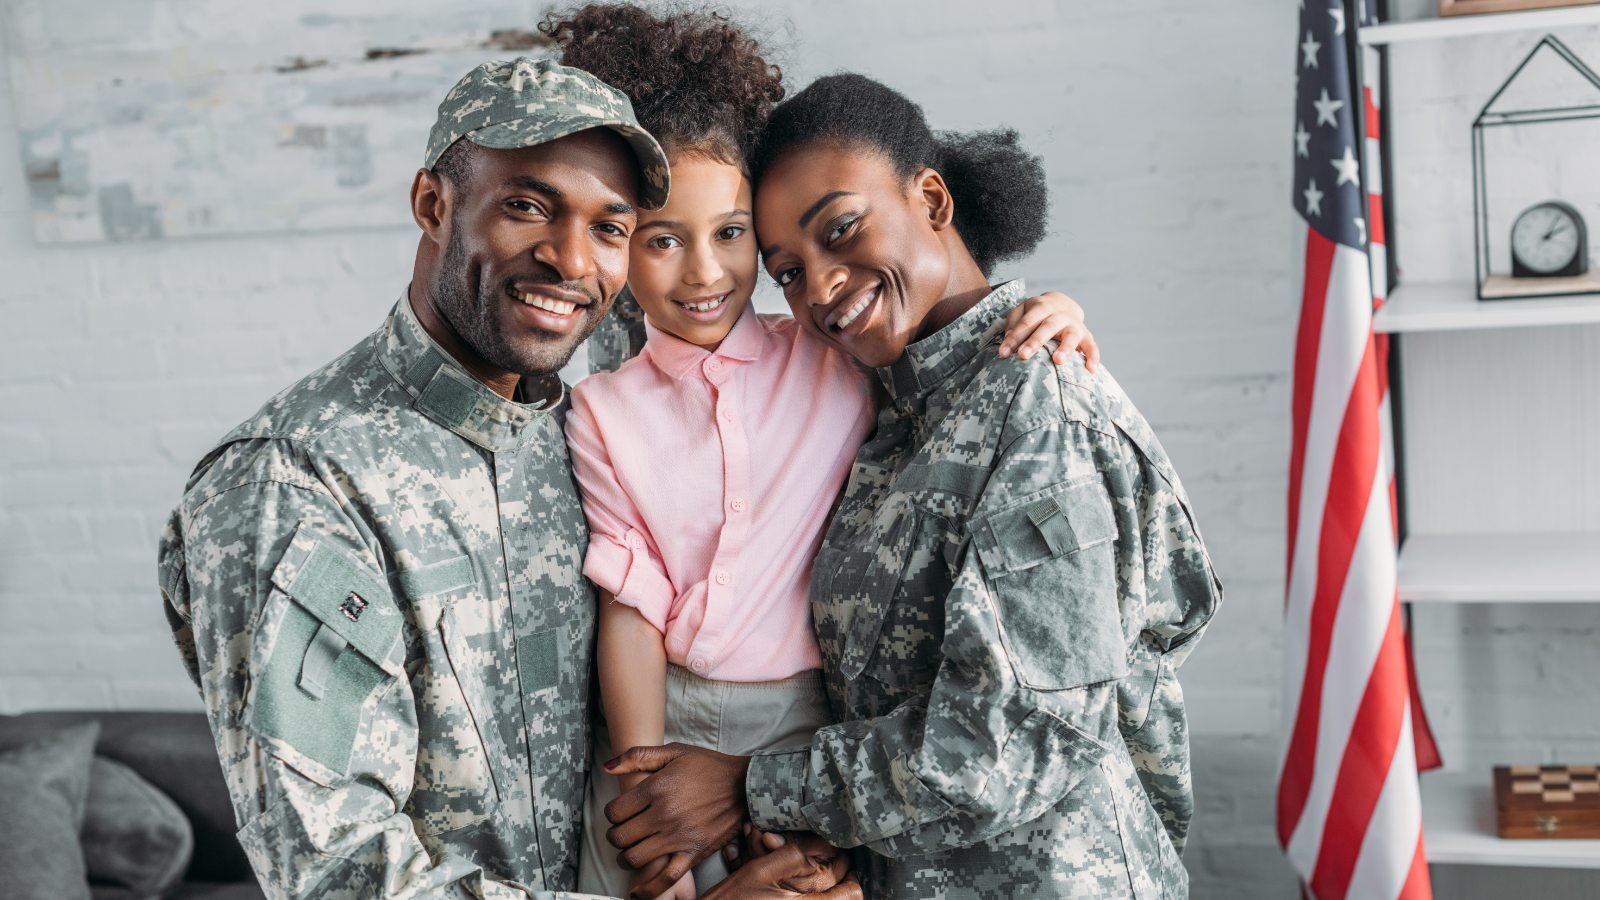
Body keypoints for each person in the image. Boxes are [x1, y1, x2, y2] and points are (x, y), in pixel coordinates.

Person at [158, 56, 860, 900]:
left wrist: (1027, 321)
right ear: (433, 204)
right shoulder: (293, 482)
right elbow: (333, 871)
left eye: (611, 227)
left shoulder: (582, 412)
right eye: (528, 206)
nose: (570, 260)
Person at [603, 74, 1223, 900]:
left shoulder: (1043, 409)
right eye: (787, 269)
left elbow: (1014, 744)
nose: (820, 288)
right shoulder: (886, 406)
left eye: (843, 229)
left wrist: (749, 784)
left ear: (932, 197)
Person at [542, 7, 1097, 900]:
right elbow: (632, 608)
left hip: (809, 725)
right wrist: (647, 787)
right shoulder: (602, 410)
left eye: (731, 238)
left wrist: (1054, 307)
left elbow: (943, 343)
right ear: (620, 246)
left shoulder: (828, 355)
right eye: (661, 239)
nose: (705, 273)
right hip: (667, 714)